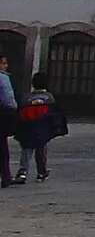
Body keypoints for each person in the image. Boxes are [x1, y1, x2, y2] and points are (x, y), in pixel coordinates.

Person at [14, 73, 65, 183]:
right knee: (41, 150)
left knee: (26, 150)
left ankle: (22, 172)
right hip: (42, 129)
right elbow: (54, 115)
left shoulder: (27, 98)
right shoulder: (49, 98)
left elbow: (19, 113)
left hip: (28, 128)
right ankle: (41, 172)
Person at [0, 56, 16, 189]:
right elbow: (8, 98)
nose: (6, 66)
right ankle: (5, 175)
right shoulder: (3, 78)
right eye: (4, 63)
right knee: (2, 148)